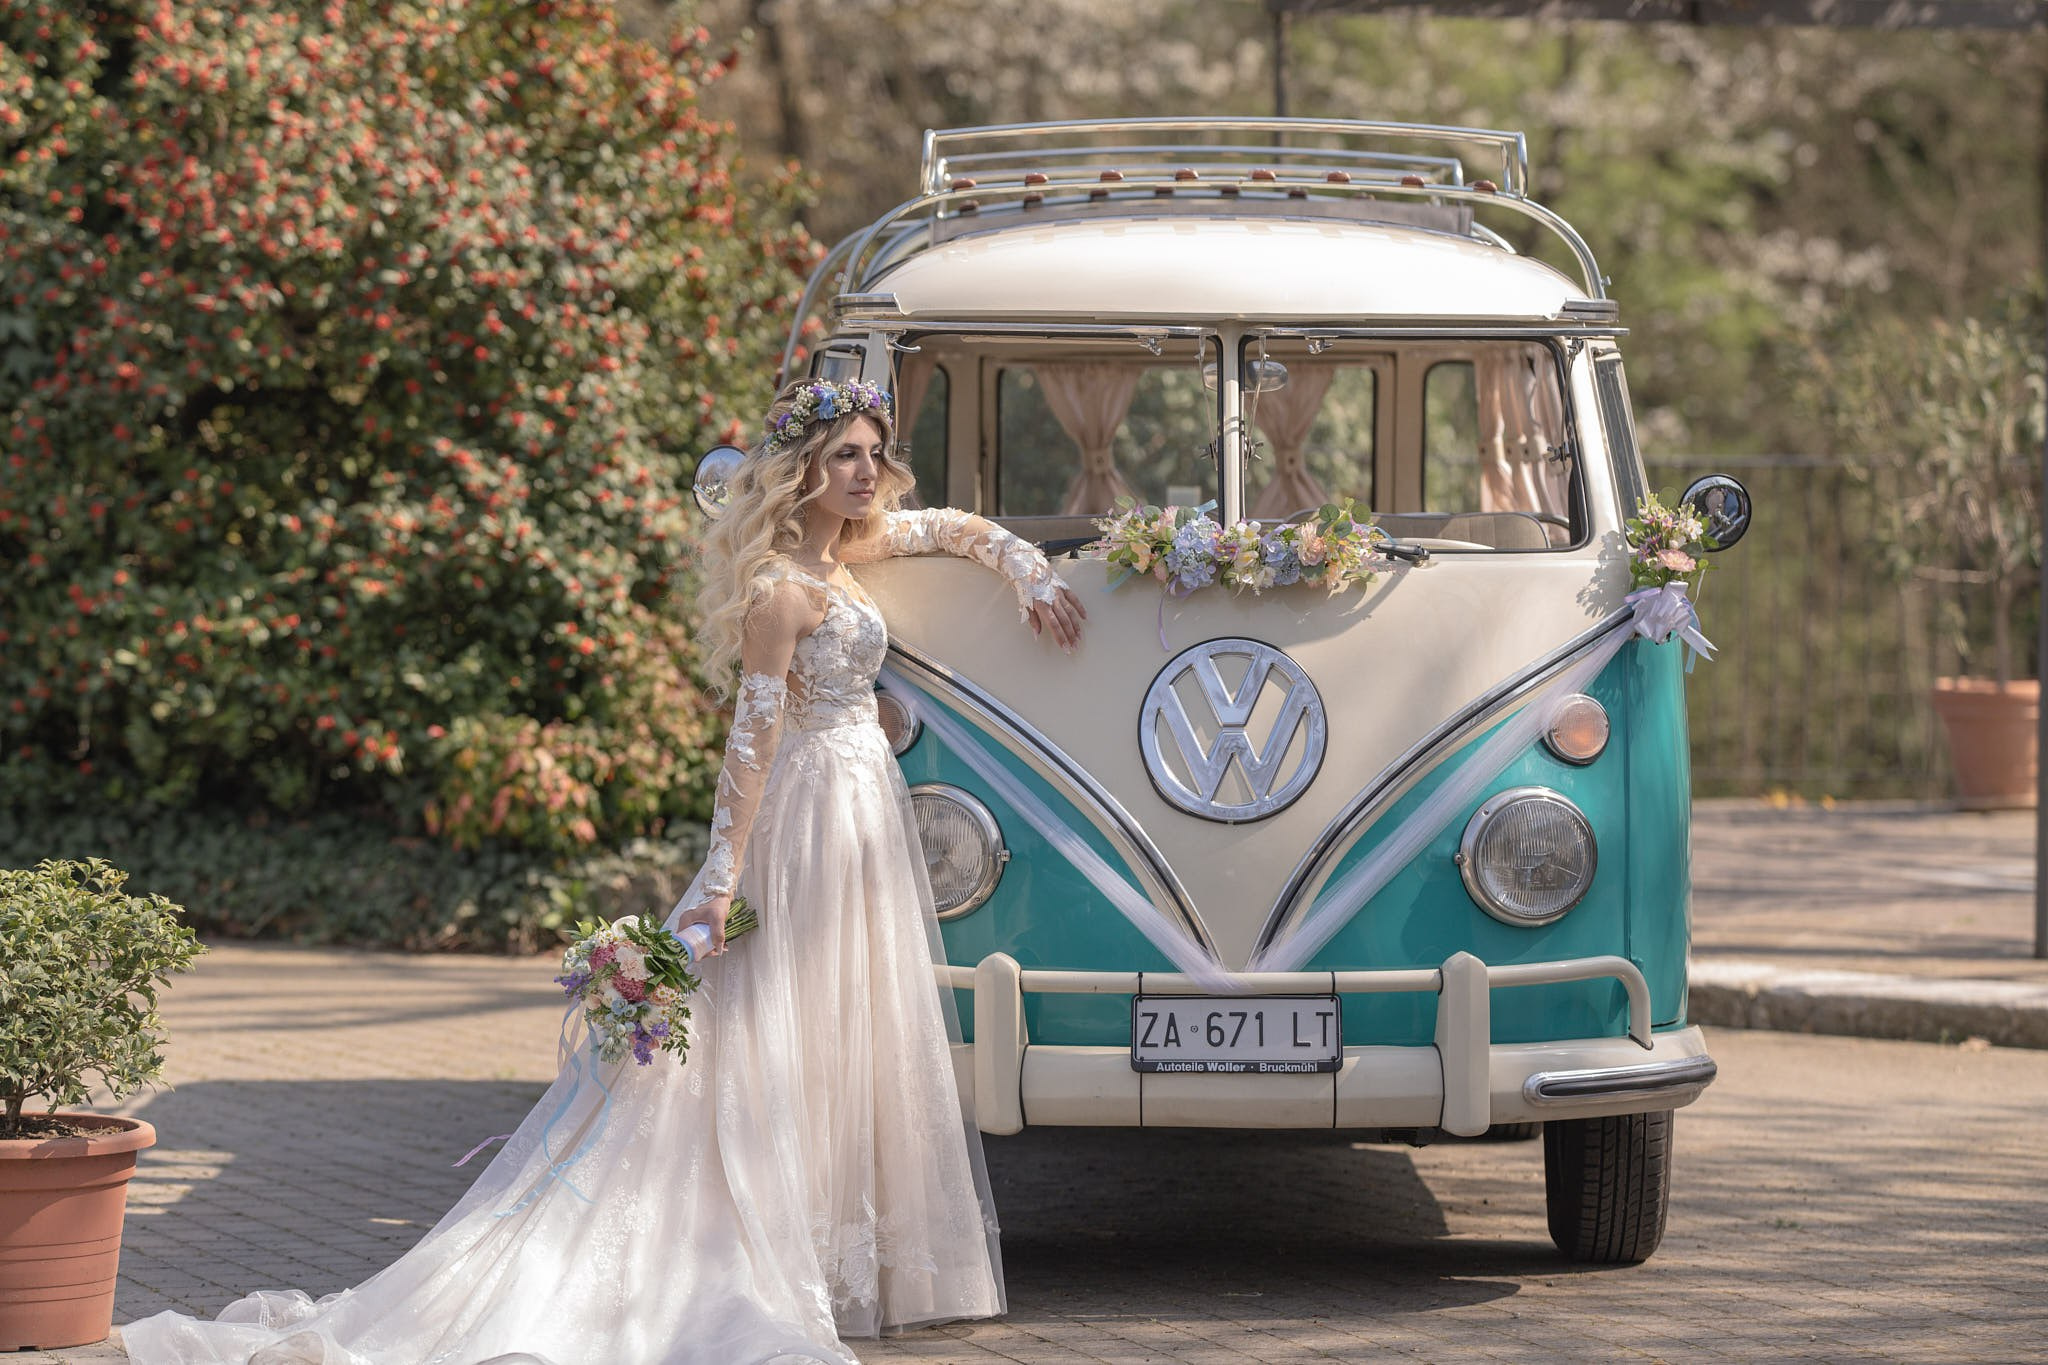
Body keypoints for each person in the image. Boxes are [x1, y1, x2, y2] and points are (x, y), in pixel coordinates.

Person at [121, 377, 1086, 1364]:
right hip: (805, 816)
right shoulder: (779, 593)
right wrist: (718, 882)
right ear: (797, 471)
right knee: (789, 1014)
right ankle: (786, 1240)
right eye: (844, 454)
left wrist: (1029, 571)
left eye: (873, 452)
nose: (865, 471)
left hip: (863, 805)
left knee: (857, 1016)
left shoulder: (853, 550)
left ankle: (861, 1249)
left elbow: (959, 529)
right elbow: (748, 750)